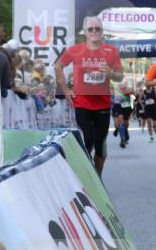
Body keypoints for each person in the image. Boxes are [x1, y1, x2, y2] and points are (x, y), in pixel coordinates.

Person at [54, 17, 124, 176]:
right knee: (88, 139)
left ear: (102, 31)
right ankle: (86, 176)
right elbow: (58, 65)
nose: (94, 32)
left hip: (103, 104)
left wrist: (110, 73)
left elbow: (120, 76)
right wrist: (66, 90)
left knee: (99, 145)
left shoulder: (111, 51)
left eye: (97, 29)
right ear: (85, 32)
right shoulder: (75, 50)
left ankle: (97, 178)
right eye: (90, 29)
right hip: (82, 103)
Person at [111, 80, 133, 148]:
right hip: (117, 104)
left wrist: (124, 89)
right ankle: (122, 140)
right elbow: (111, 92)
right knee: (119, 121)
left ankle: (124, 130)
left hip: (126, 104)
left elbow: (131, 90)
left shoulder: (128, 81)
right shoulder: (112, 82)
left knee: (126, 123)